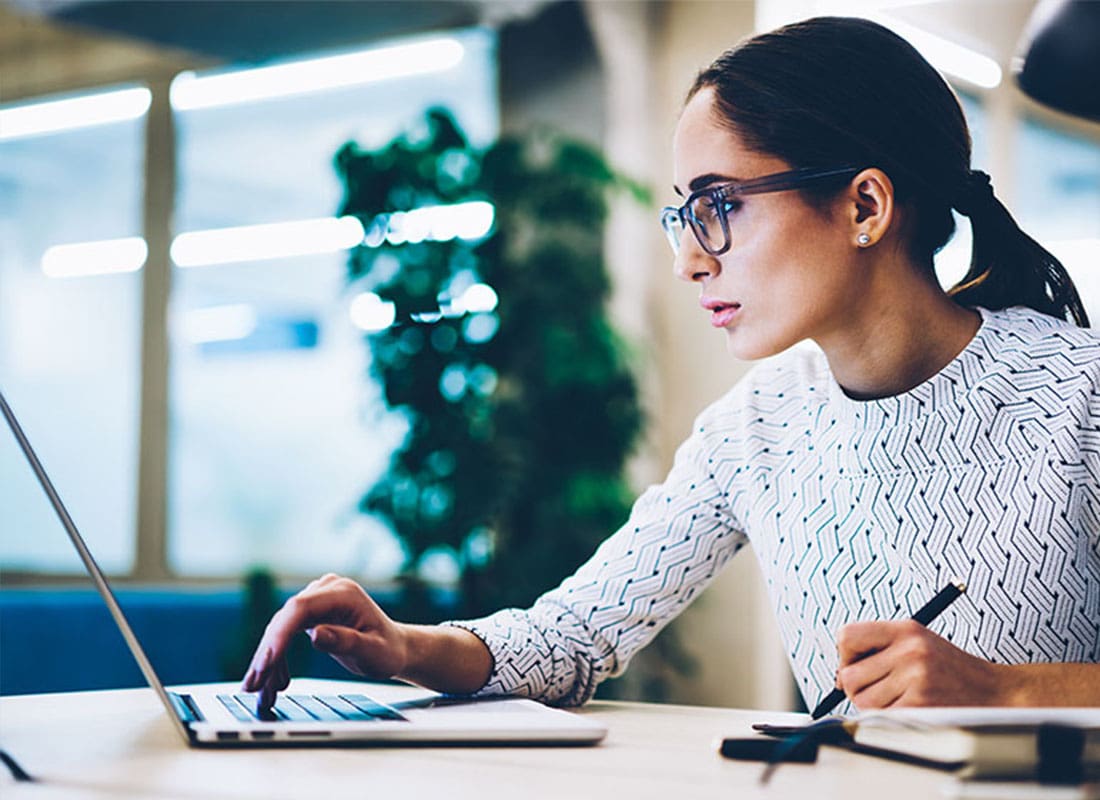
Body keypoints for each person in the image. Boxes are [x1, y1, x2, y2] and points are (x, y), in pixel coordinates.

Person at [242, 16, 1100, 714]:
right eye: (682, 214)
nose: (690, 258)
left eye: (720, 205)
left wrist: (1007, 689)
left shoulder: (1079, 395)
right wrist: (406, 646)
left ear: (864, 205)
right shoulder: (757, 427)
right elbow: (576, 634)